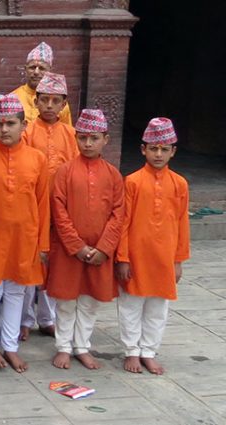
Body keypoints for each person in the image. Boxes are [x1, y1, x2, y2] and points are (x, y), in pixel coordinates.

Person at [0, 95, 49, 373]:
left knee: (17, 291)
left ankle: (11, 347)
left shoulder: (37, 159)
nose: (4, 130)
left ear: (23, 125)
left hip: (24, 237)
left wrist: (43, 243)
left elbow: (43, 203)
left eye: (10, 124)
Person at [48, 109, 125, 370]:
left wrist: (104, 248)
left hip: (100, 251)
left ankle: (82, 346)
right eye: (82, 138)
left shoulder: (113, 174)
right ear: (76, 139)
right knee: (67, 301)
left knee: (90, 301)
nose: (88, 144)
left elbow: (118, 213)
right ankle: (63, 347)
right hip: (71, 250)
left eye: (94, 138)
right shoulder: (64, 172)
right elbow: (58, 211)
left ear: (105, 139)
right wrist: (76, 245)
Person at [115, 117, 189, 376]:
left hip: (164, 257)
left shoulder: (180, 184)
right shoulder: (132, 181)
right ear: (143, 149)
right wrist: (122, 257)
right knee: (131, 305)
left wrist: (178, 260)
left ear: (173, 151)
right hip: (136, 256)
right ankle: (131, 351)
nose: (158, 154)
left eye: (164, 149)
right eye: (153, 148)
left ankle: (148, 351)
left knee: (158, 307)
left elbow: (182, 223)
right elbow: (123, 223)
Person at [22, 71, 79, 341]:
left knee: (53, 262)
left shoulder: (71, 134)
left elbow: (76, 171)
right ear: (35, 101)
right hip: (31, 207)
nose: (48, 105)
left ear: (63, 104)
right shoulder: (27, 133)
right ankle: (24, 319)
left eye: (55, 101)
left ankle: (47, 318)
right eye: (43, 100)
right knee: (29, 261)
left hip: (60, 208)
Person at [11, 42, 72, 125]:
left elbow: (66, 133)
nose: (36, 72)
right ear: (25, 69)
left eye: (42, 68)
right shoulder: (13, 98)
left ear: (50, 70)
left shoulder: (59, 103)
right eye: (32, 67)